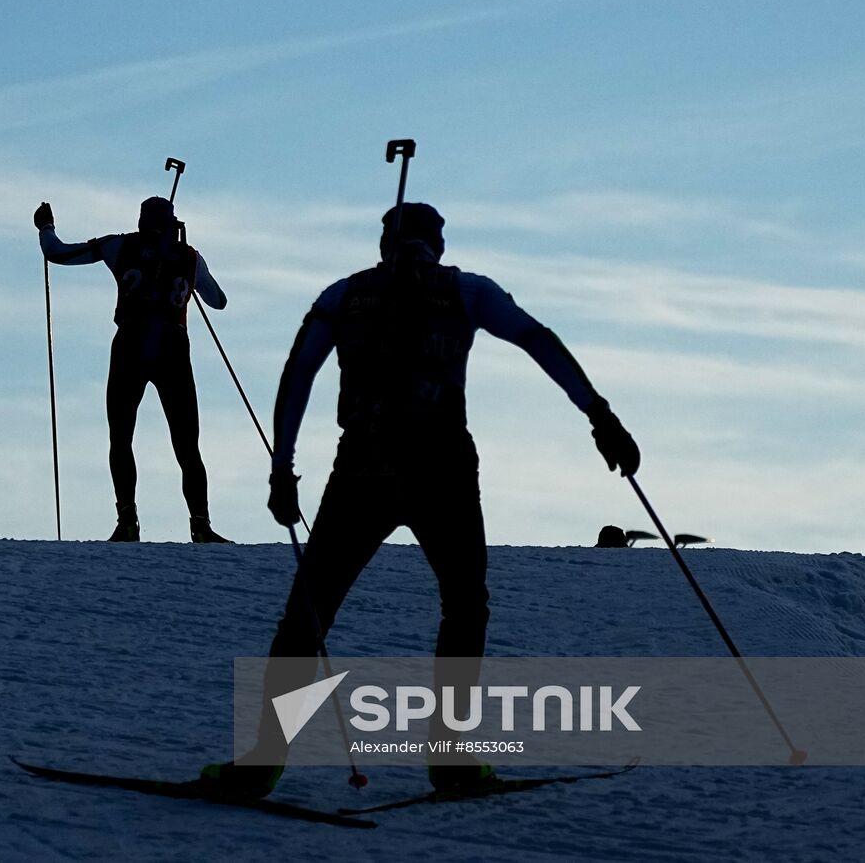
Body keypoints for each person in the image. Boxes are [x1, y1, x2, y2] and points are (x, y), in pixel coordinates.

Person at [200, 201, 640, 797]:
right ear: (438, 244)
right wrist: (599, 414)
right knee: (463, 607)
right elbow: (537, 339)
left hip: (364, 464)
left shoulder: (345, 294)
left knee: (310, 611)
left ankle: (265, 760)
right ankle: (450, 758)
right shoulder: (465, 291)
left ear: (385, 243)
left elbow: (297, 372)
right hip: (441, 466)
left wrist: (283, 467)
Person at [36, 196, 232, 544]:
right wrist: (186, 268)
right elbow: (218, 300)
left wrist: (46, 228)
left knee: (121, 436)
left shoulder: (119, 245)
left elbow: (58, 253)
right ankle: (200, 524)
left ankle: (127, 520)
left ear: (141, 221)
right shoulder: (189, 256)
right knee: (187, 444)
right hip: (173, 348)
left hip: (131, 343)